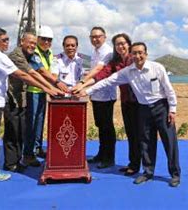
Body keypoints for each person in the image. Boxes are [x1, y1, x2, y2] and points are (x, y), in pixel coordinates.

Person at [80, 42, 181, 187]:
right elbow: (108, 81)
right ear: (131, 55)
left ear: (146, 54)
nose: (138, 56)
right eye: (134, 53)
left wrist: (172, 109)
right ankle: (147, 172)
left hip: (161, 107)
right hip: (143, 110)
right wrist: (87, 91)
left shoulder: (157, 68)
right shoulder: (128, 72)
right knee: (146, 142)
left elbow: (169, 89)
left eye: (140, 52)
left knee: (169, 142)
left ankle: (175, 175)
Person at [0, 28, 58, 182]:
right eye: (4, 40)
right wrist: (48, 88)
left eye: (7, 39)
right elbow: (25, 74)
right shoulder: (3, 56)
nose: (7, 42)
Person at [74, 33, 140, 175]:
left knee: (139, 134)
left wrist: (84, 86)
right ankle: (133, 163)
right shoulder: (115, 63)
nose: (121, 46)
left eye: (123, 43)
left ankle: (141, 167)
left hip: (140, 102)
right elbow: (101, 76)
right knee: (130, 132)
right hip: (126, 101)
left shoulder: (133, 59)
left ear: (129, 44)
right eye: (118, 44)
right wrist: (82, 86)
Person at [4, 32, 63, 172]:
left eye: (33, 43)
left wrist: (50, 87)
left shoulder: (33, 55)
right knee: (15, 130)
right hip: (12, 97)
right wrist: (50, 87)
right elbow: (31, 74)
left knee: (26, 127)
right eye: (29, 42)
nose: (32, 45)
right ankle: (14, 162)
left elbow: (40, 71)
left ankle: (24, 156)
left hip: (21, 97)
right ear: (21, 41)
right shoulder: (17, 56)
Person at [73, 27, 116, 169]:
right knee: (100, 126)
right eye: (93, 37)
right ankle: (101, 154)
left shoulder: (107, 52)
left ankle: (109, 158)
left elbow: (98, 70)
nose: (95, 39)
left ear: (104, 37)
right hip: (96, 95)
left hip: (106, 95)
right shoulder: (95, 51)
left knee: (107, 127)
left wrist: (82, 83)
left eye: (98, 36)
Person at [24, 25, 58, 166]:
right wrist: (55, 84)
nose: (46, 42)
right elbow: (42, 72)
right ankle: (28, 154)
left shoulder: (49, 53)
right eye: (43, 39)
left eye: (49, 40)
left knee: (39, 122)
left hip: (43, 92)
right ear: (38, 39)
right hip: (33, 91)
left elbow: (53, 70)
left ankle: (37, 148)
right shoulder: (34, 53)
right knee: (31, 124)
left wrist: (53, 83)